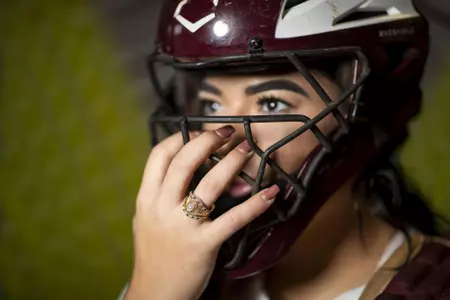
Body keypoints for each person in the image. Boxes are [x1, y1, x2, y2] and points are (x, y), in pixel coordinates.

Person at [122, 0, 450, 299]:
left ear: (362, 110)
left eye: (271, 103)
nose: (227, 139)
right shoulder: (179, 267)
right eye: (211, 105)